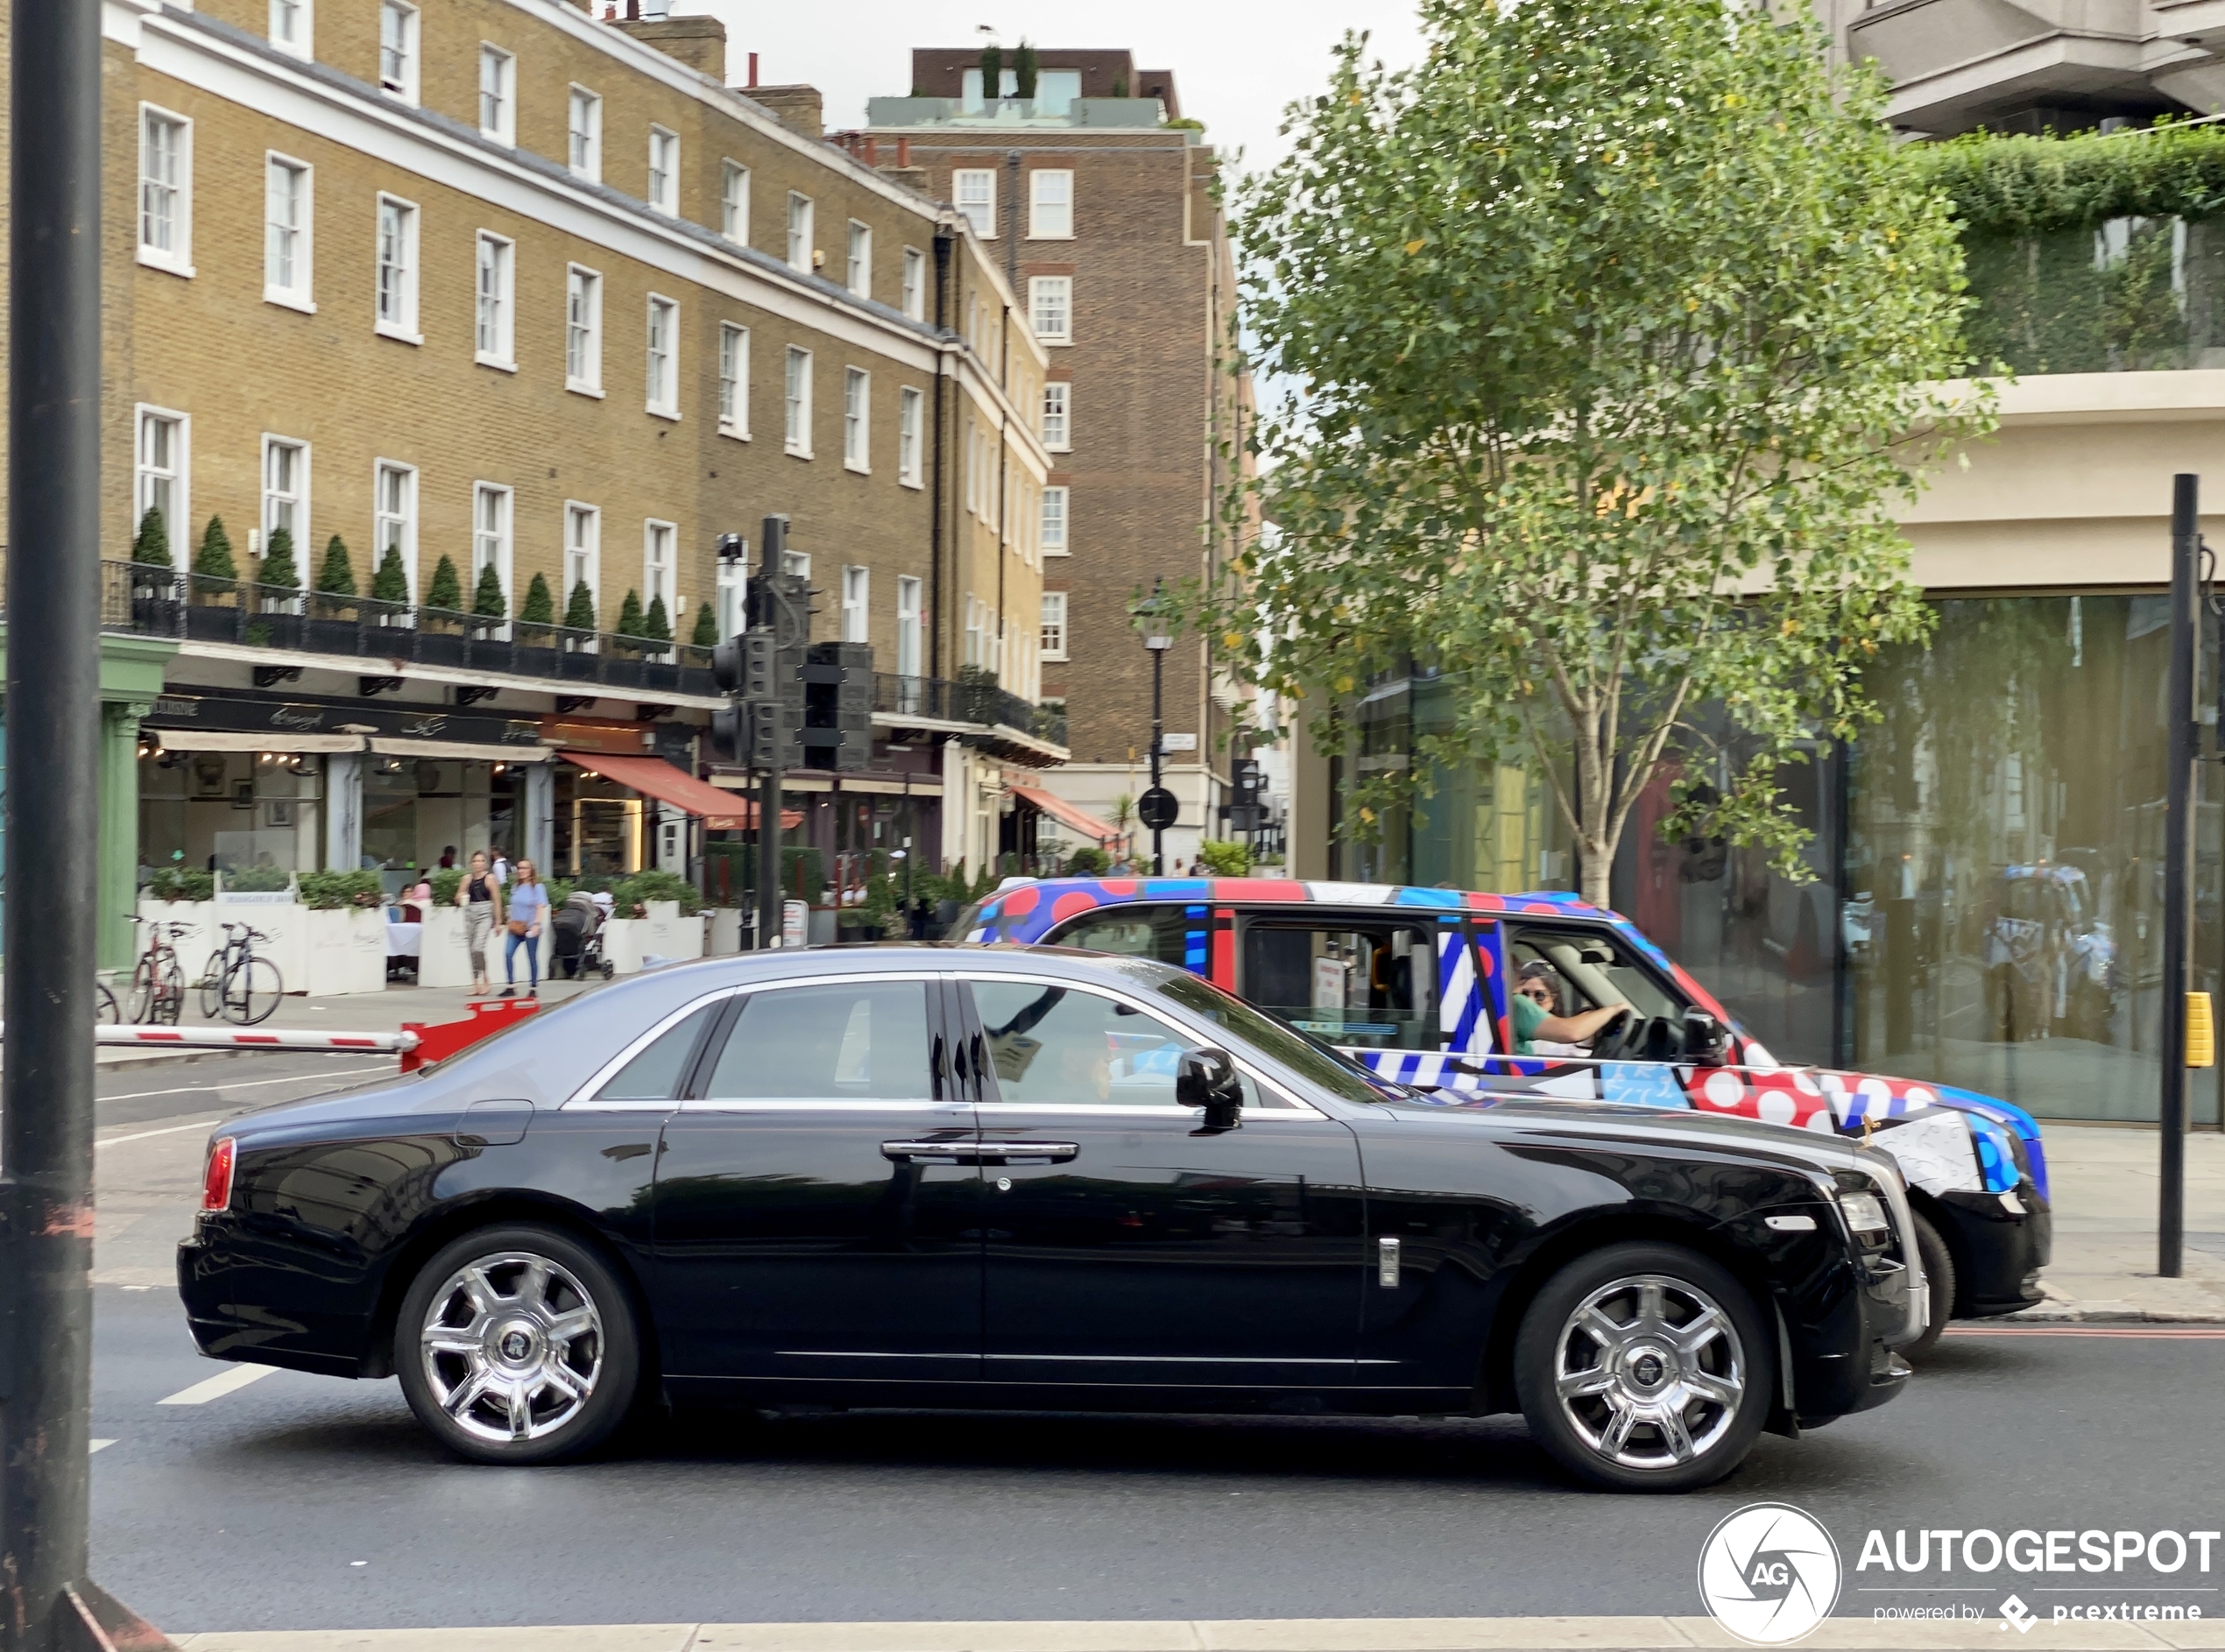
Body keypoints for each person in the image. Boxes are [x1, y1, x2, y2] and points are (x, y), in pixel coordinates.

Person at [1509, 959, 1629, 1056]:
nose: (1529, 1001)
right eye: (1524, 994)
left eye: (1539, 995)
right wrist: (1614, 1009)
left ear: (1553, 997)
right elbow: (1572, 1032)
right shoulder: (1516, 1004)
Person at [501, 858, 548, 998]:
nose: (522, 871)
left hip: (530, 927)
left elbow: (540, 907)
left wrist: (536, 924)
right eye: (520, 868)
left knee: (531, 957)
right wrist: (508, 920)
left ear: (531, 870)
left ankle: (533, 987)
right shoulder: (515, 887)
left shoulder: (537, 887)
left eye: (525, 868)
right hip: (516, 927)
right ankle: (510, 985)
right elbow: (514, 906)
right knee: (508, 953)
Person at [456, 850, 499, 996]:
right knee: (470, 949)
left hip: (485, 912)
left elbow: (497, 900)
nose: (478, 864)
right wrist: (461, 896)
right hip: (470, 912)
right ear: (471, 863)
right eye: (475, 861)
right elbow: (457, 897)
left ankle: (485, 977)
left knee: (478, 947)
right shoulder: (467, 879)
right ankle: (475, 983)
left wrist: (498, 921)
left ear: (485, 863)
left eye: (481, 861)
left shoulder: (490, 878)